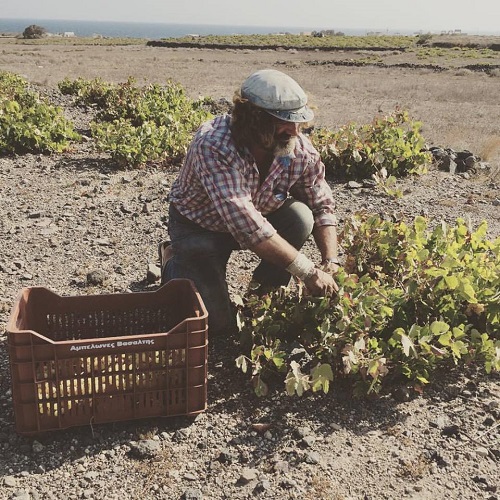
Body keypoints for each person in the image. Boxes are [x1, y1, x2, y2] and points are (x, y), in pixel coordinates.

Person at [159, 69, 340, 337]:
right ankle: (173, 258)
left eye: (298, 122)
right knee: (216, 327)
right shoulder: (213, 145)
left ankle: (261, 294)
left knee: (301, 217)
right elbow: (247, 225)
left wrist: (331, 260)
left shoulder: (297, 147)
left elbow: (321, 205)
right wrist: (308, 272)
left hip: (257, 220)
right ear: (252, 120)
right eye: (284, 122)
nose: (294, 131)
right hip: (200, 228)